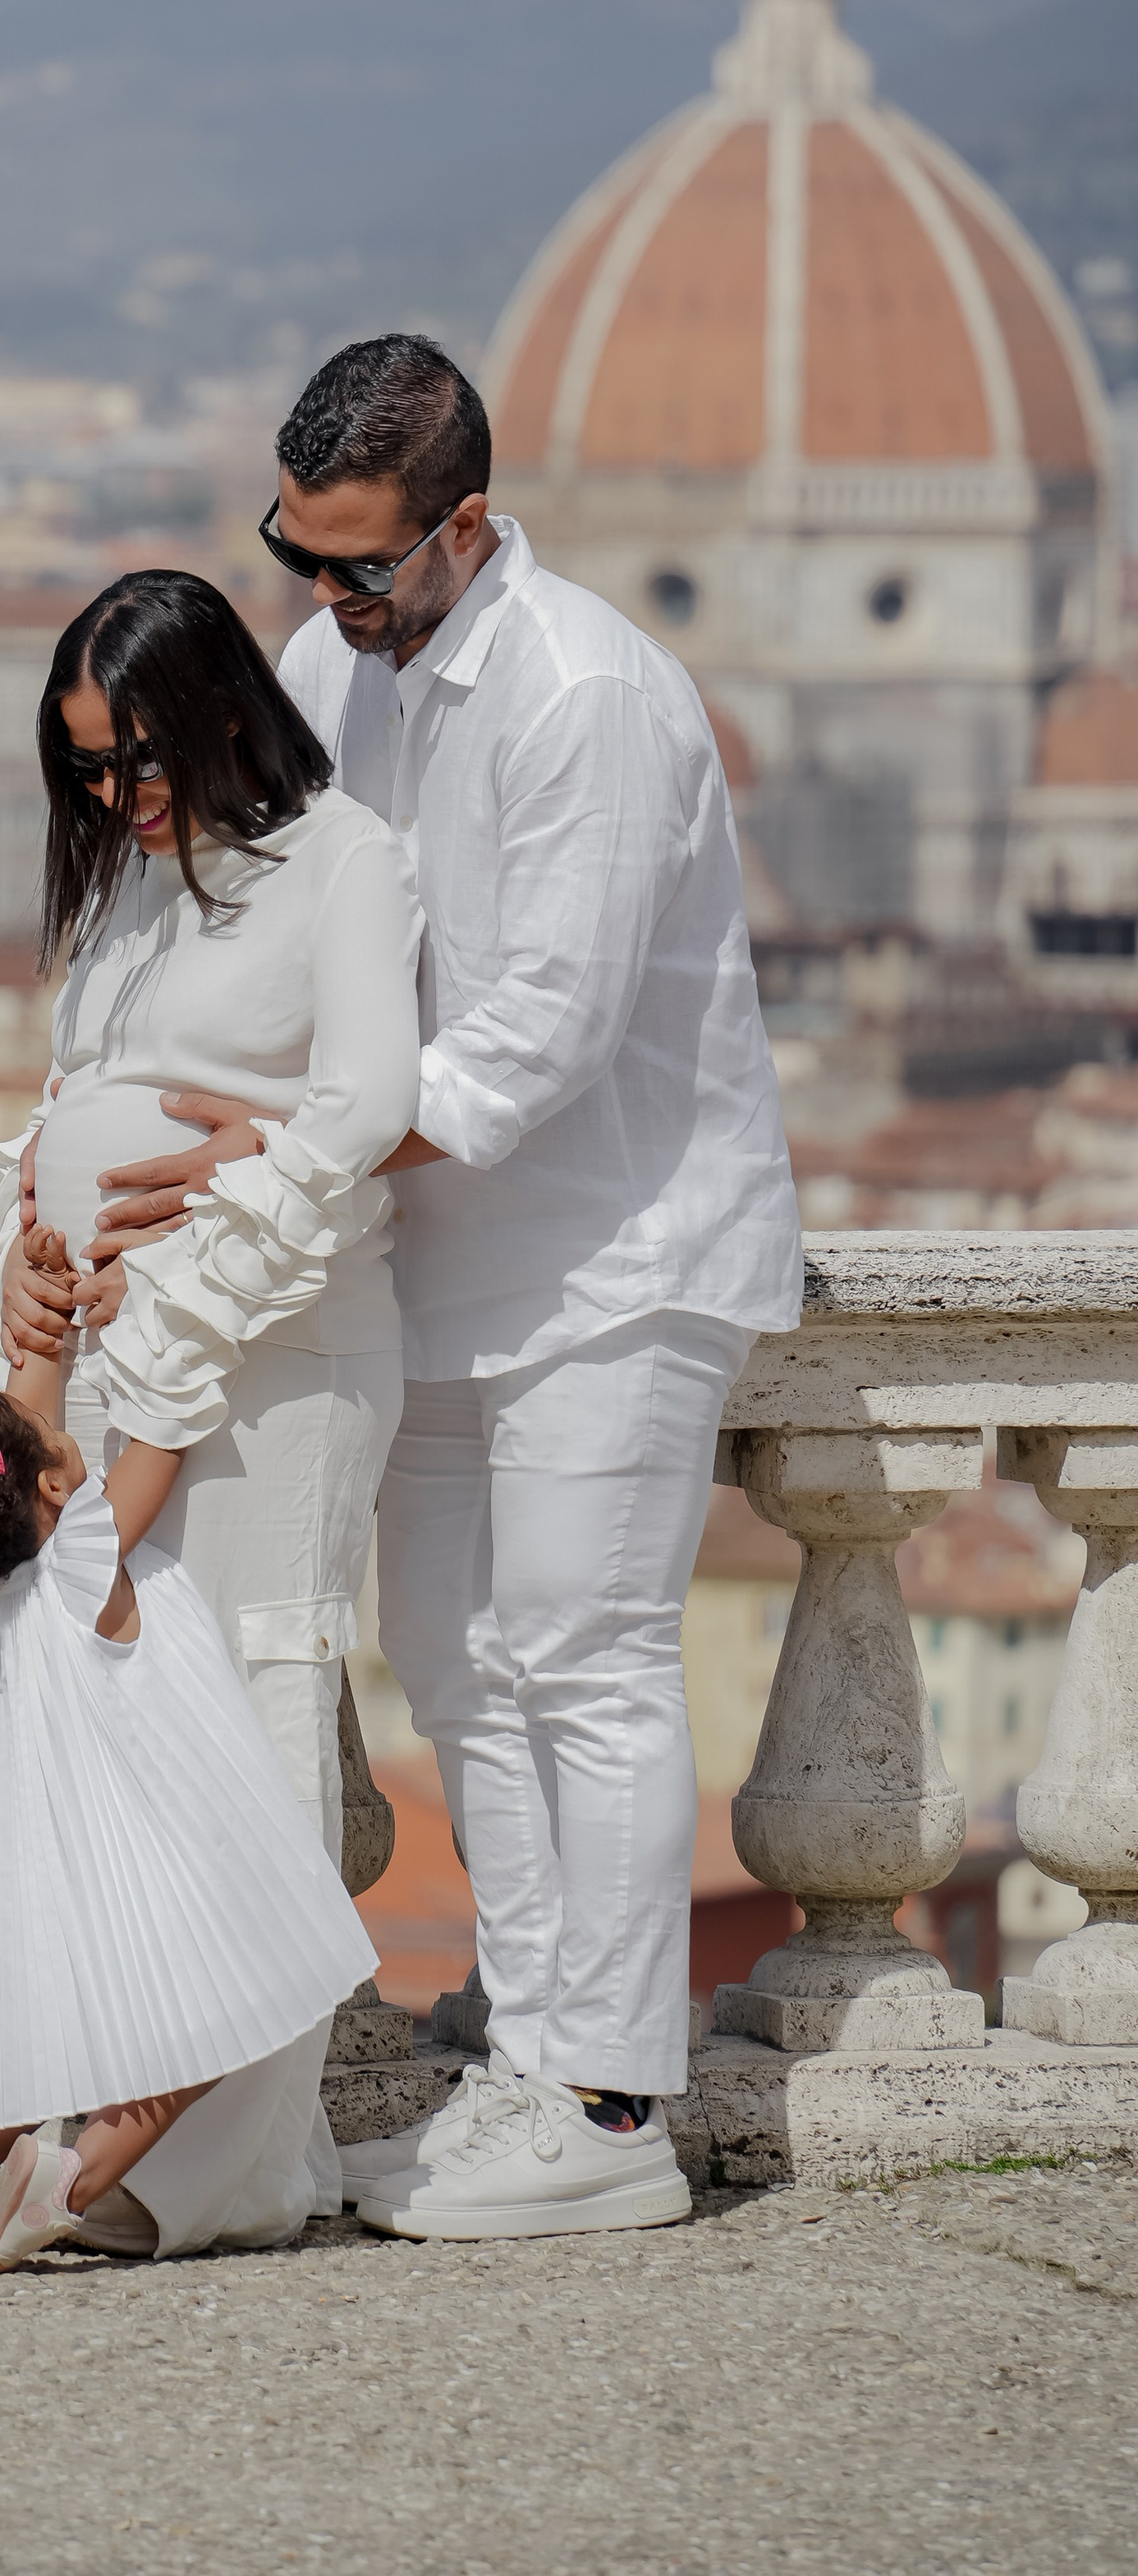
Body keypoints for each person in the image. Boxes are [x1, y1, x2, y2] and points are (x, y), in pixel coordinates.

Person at [73, 336, 803, 2243]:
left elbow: (520, 1051)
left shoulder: (592, 698)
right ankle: (533, 2067)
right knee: (462, 1665)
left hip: (617, 1251)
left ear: (462, 525)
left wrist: (267, 1151)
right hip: (425, 1261)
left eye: (359, 565)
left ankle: (612, 2101)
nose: (322, 600)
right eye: (295, 556)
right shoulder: (331, 672)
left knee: (583, 1656)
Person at [0, 566, 425, 2248]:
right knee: (120, 1720)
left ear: (226, 711)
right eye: (83, 768)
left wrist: (255, 1140)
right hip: (109, 1365)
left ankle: (210, 2174)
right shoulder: (116, 892)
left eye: (138, 758)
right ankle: (126, 2105)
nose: (115, 797)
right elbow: (66, 1106)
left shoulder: (342, 862)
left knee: (255, 1706)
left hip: (279, 1356)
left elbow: (367, 1100)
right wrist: (21, 1261)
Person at [0, 1329, 377, 2272]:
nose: (56, 1427)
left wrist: (43, 1324)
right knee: (210, 2032)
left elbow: (32, 1419)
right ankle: (68, 2185)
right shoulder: (87, 1551)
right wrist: (185, 1319)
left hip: (66, 1872)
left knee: (38, 2036)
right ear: (51, 1487)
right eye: (42, 1434)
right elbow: (161, 1440)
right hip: (161, 1855)